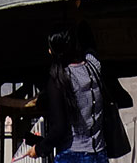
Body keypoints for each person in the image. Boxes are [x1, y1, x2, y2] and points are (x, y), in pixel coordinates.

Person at [44, 25, 131, 163]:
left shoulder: (59, 80)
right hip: (99, 154)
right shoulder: (94, 66)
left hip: (71, 155)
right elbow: (90, 45)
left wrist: (39, 148)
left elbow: (59, 129)